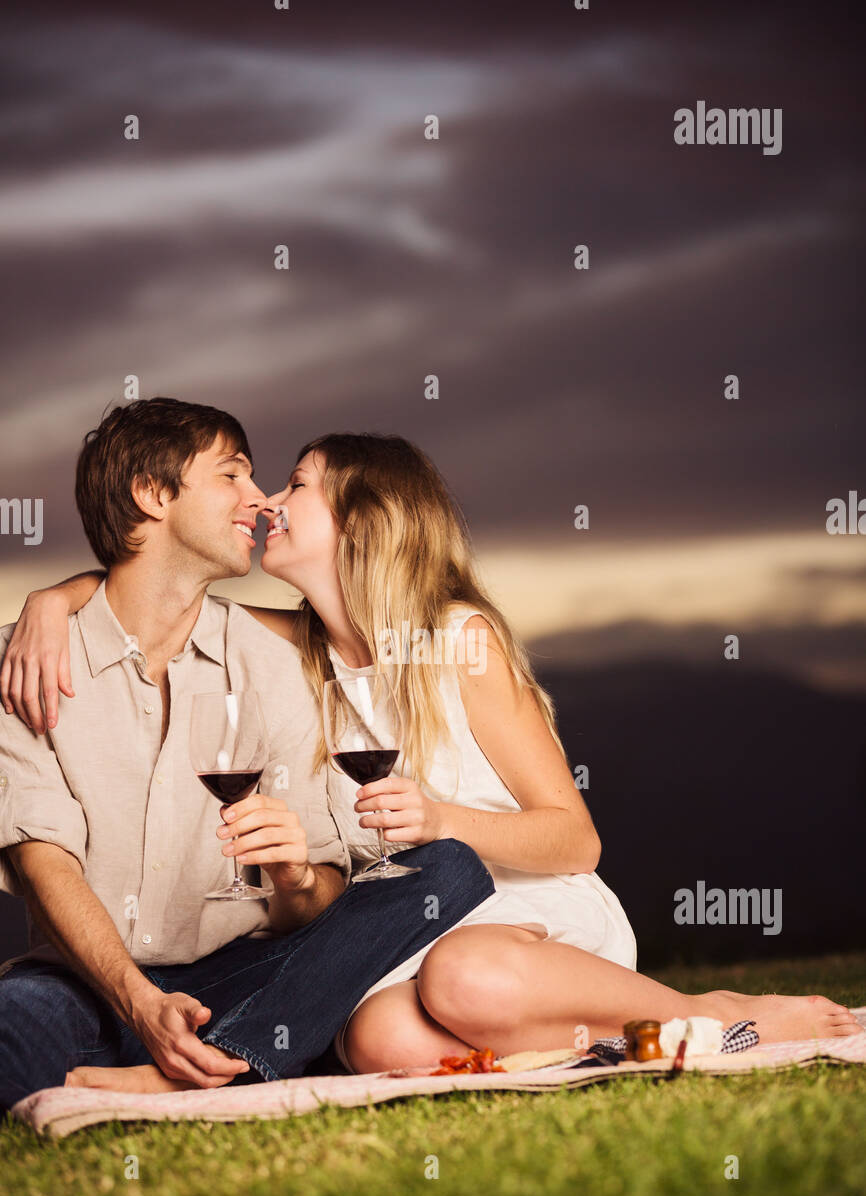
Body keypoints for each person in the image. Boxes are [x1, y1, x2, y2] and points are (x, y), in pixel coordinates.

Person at [4, 427, 862, 1079]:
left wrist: (443, 819)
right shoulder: (295, 648)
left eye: (294, 485)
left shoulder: (458, 639)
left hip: (519, 911)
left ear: (360, 522)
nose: (267, 501)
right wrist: (52, 598)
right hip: (396, 929)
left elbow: (577, 840)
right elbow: (157, 596)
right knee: (383, 1040)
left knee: (467, 980)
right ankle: (598, 1054)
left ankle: (703, 1011)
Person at [0, 400, 495, 1110]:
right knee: (14, 1023)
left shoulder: (274, 662)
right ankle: (241, 1064)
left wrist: (296, 874)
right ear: (153, 493)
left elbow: (319, 899)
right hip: (90, 984)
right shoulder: (27, 660)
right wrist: (142, 1004)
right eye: (232, 476)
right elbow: (44, 860)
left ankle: (226, 1062)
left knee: (442, 867)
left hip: (249, 976)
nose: (260, 501)